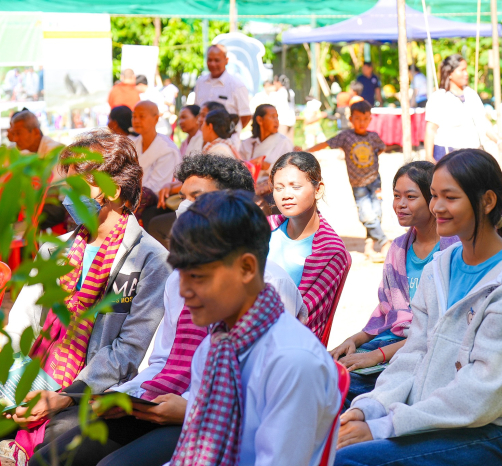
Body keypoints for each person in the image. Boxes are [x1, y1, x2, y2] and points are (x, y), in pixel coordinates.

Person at [28, 155, 307, 466]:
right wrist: (128, 395)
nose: (184, 207)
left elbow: (261, 393)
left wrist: (188, 409)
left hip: (212, 419)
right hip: (160, 402)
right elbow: (164, 360)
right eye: (183, 197)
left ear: (232, 206)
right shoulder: (180, 278)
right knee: (49, 458)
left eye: (197, 197)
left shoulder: (268, 285)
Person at [334, 149, 502, 466]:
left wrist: (385, 426)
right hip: (427, 421)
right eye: (434, 195)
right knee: (327, 443)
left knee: (348, 460)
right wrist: (368, 409)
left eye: (450, 197)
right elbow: (413, 354)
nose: (437, 207)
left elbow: (482, 393)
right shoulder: (438, 269)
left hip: (487, 434)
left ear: (487, 201)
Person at [1, 130, 170, 463]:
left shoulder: (149, 261)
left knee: (61, 434)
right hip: (33, 374)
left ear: (114, 191)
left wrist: (65, 395)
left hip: (89, 391)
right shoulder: (54, 251)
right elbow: (23, 322)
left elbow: (128, 350)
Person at [163, 189, 339, 465]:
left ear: (246, 268)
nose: (183, 290)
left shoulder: (292, 361)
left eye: (197, 276)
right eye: (180, 274)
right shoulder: (214, 346)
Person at [330, 161, 458, 406]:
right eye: (396, 196)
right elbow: (387, 311)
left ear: (433, 200)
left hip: (428, 350)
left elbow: (443, 330)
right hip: (391, 341)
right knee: (323, 373)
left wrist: (376, 356)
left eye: (410, 197)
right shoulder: (398, 248)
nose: (400, 204)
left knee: (342, 387)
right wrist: (354, 340)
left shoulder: (454, 252)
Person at [267, 152, 350, 340]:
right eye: (279, 188)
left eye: (295, 187)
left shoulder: (329, 251)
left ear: (318, 189)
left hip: (286, 342)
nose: (286, 195)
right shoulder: (263, 229)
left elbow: (304, 318)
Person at [307, 100, 389, 260]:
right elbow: (326, 143)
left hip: (375, 181)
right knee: (366, 214)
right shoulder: (346, 136)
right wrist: (306, 150)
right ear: (351, 119)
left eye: (365, 119)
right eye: (357, 119)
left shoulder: (373, 136)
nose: (361, 122)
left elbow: (382, 148)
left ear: (370, 119)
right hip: (358, 185)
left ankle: (369, 247)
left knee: (376, 213)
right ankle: (384, 242)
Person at [424, 54, 495, 161]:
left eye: (466, 69)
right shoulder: (439, 97)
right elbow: (431, 129)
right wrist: (429, 156)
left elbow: (483, 122)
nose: (466, 73)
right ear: (450, 73)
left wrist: (499, 141)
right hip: (448, 154)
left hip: (472, 153)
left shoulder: (471, 94)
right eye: (462, 70)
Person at [8, 110, 66, 229]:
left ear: (35, 132)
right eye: (13, 134)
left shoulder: (55, 151)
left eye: (18, 133)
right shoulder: (19, 151)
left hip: (57, 204)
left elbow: (53, 194)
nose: (15, 138)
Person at [131, 101, 180, 225]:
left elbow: (157, 186)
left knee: (144, 194)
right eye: (134, 116)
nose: (136, 120)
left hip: (154, 200)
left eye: (141, 116)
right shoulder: (133, 144)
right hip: (133, 196)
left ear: (156, 119)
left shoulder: (166, 149)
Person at [240, 104, 294, 200]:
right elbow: (238, 166)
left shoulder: (284, 142)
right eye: (272, 117)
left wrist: (267, 166)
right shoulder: (246, 143)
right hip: (247, 189)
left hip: (272, 192)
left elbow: (289, 171)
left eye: (277, 117)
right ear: (260, 120)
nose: (276, 121)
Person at [193, 44, 252, 130]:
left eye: (217, 60)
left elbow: (245, 115)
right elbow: (197, 109)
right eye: (210, 60)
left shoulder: (236, 85)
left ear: (226, 60)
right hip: (203, 136)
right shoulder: (200, 82)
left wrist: (230, 133)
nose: (213, 64)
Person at [273, 74, 296, 141]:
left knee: (281, 142)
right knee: (289, 142)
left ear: (278, 82)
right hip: (291, 119)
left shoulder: (278, 93)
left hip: (282, 120)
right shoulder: (290, 91)